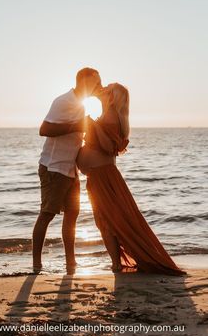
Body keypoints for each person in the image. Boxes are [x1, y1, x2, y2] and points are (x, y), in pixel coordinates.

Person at [76, 83, 187, 275]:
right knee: (109, 221)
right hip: (101, 175)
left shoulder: (110, 116)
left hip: (103, 177)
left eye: (107, 88)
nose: (103, 88)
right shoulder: (108, 115)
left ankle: (116, 264)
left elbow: (108, 146)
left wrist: (92, 124)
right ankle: (116, 263)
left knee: (108, 221)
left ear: (112, 97)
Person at [32, 67, 102, 274]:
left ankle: (71, 264)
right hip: (53, 167)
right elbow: (44, 130)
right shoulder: (63, 101)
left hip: (70, 169)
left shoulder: (81, 105)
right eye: (96, 82)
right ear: (83, 81)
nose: (98, 85)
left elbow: (77, 137)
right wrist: (76, 126)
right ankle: (36, 265)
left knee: (72, 214)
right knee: (47, 214)